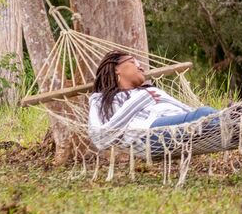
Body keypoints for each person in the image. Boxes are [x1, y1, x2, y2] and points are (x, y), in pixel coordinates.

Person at [87, 50, 217, 151]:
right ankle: (232, 120)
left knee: (210, 118)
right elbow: (100, 137)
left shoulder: (150, 92)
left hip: (185, 127)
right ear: (116, 69)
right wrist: (142, 100)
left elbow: (187, 112)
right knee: (205, 115)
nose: (141, 67)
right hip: (148, 135)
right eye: (133, 62)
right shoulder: (101, 100)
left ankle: (232, 120)